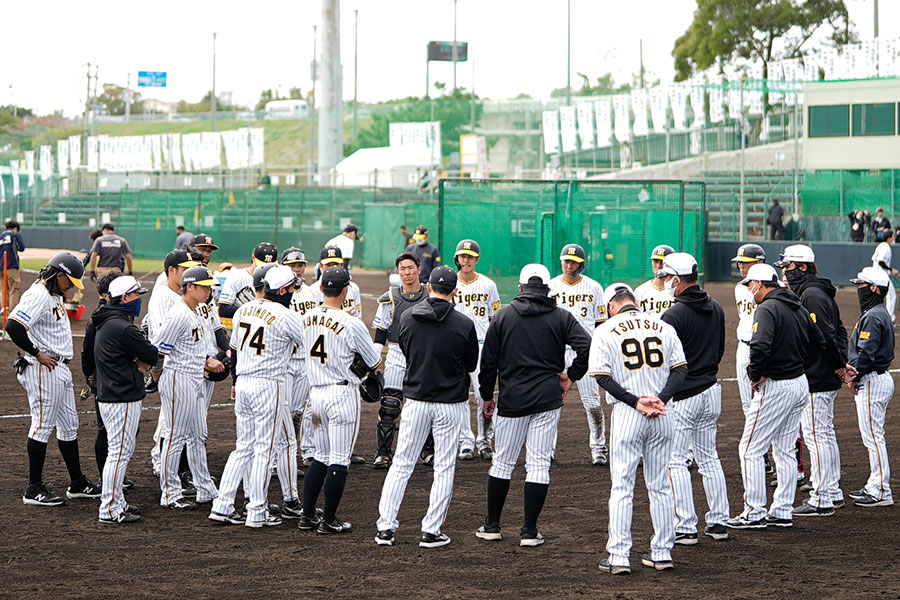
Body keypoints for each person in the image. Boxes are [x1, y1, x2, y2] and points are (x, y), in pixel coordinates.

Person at [475, 264, 591, 547]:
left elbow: (488, 362)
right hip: (547, 397)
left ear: (520, 288)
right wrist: (570, 376)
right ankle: (529, 531)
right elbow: (587, 345)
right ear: (548, 289)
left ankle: (492, 525)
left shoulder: (503, 317)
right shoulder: (562, 316)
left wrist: (487, 395)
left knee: (502, 463)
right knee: (538, 465)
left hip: (513, 398)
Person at [375, 266, 479, 548]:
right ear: (455, 291)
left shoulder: (408, 317)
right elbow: (470, 365)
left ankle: (385, 528)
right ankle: (431, 531)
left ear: (428, 286)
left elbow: (407, 352)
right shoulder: (464, 324)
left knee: (401, 464)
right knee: (444, 467)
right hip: (450, 402)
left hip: (417, 399)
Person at [590, 283, 688, 575]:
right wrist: (660, 399)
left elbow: (601, 377)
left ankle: (619, 557)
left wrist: (636, 402)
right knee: (659, 485)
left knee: (622, 487)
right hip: (662, 413)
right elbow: (681, 369)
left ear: (611, 305)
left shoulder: (605, 329)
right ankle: (662, 552)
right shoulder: (662, 325)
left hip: (628, 414)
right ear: (635, 300)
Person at [726, 264, 824, 530]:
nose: (749, 290)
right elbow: (818, 342)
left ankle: (754, 512)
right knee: (784, 449)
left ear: (759, 284)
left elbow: (760, 345)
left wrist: (756, 373)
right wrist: (799, 364)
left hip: (777, 386)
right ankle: (782, 510)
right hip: (798, 384)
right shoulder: (797, 306)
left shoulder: (767, 309)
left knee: (750, 449)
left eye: (750, 285)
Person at [210, 265, 307, 528]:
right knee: (264, 448)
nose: (293, 293)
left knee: (243, 447)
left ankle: (222, 504)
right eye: (291, 288)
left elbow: (235, 352)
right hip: (269, 384)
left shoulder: (244, 309)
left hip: (244, 384)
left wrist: (235, 381)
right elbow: (312, 343)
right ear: (283, 290)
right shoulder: (287, 316)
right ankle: (257, 510)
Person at [6, 252, 101, 506]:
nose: (71, 286)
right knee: (41, 425)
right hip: (42, 369)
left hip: (58, 369)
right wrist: (37, 353)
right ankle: (33, 488)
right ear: (58, 276)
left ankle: (77, 482)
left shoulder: (52, 293)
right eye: (69, 281)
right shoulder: (38, 295)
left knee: (69, 425)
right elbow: (12, 326)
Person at [298, 266, 381, 534]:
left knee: (320, 457)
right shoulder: (353, 323)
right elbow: (373, 362)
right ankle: (329, 519)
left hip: (316, 395)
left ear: (321, 288)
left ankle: (307, 515)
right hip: (342, 394)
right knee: (339, 460)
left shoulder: (307, 317)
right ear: (346, 291)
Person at [658, 253, 729, 544]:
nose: (664, 282)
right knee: (709, 457)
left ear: (676, 279)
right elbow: (721, 350)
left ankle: (686, 525)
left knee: (676, 461)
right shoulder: (716, 307)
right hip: (711, 389)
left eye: (666, 278)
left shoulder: (672, 315)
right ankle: (719, 521)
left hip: (684, 395)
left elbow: (665, 363)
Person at [775, 246, 848, 516]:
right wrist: (840, 363)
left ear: (803, 267)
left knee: (817, 436)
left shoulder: (811, 295)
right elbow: (839, 331)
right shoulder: (816, 292)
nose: (784, 272)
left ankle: (822, 497)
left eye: (788, 267)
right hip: (823, 373)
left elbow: (827, 336)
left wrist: (839, 366)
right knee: (823, 435)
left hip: (817, 377)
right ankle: (832, 491)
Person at [155, 266, 223, 509]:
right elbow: (159, 349)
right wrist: (156, 378)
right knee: (175, 437)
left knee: (198, 435)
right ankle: (170, 493)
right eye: (204, 286)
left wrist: (206, 360)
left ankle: (204, 487)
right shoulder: (179, 314)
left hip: (194, 377)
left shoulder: (195, 311)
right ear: (190, 287)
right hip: (178, 378)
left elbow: (189, 345)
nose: (208, 291)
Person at [92, 275, 158, 524]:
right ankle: (109, 508)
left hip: (111, 393)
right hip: (122, 396)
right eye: (136, 295)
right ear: (124, 298)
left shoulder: (106, 321)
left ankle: (116, 502)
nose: (139, 299)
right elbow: (151, 354)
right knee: (119, 453)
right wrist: (143, 360)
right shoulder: (124, 327)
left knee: (118, 452)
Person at [549, 243, 609, 466]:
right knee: (551, 404)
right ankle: (548, 448)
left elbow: (601, 324)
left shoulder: (594, 287)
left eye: (573, 262)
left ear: (581, 265)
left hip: (585, 352)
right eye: (566, 260)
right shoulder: (552, 286)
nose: (568, 265)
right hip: (557, 351)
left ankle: (599, 447)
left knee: (592, 403)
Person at [371, 252, 429, 468]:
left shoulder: (429, 295)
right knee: (389, 406)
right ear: (398, 271)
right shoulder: (390, 297)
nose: (407, 272)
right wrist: (375, 360)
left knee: (424, 405)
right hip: (395, 353)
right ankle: (383, 453)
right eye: (402, 268)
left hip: (423, 355)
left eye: (411, 268)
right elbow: (381, 332)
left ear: (419, 270)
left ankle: (427, 451)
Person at [145, 250, 200, 474]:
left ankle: (173, 466)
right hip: (170, 367)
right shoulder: (162, 297)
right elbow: (159, 341)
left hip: (184, 366)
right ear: (172, 271)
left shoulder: (178, 294)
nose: (188, 273)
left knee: (177, 423)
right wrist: (157, 374)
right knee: (168, 423)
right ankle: (161, 464)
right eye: (184, 269)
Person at [846, 267, 895, 507]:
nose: (860, 289)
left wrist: (853, 375)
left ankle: (881, 490)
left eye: (862, 285)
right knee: (873, 436)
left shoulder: (874, 316)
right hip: (878, 378)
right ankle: (874, 483)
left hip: (872, 380)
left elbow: (866, 353)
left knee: (873, 437)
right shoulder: (878, 312)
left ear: (874, 288)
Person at [82, 272, 136, 489]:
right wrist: (90, 376)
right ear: (106, 295)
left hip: (119, 378)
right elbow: (88, 352)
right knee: (106, 430)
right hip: (105, 380)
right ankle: (108, 477)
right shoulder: (98, 318)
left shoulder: (121, 315)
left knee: (123, 431)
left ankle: (115, 475)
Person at [452, 239, 501, 460]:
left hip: (481, 345)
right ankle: (465, 441)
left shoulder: (488, 285)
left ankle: (484, 440)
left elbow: (495, 320)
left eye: (470, 257)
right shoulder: (450, 283)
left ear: (477, 259)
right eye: (463, 256)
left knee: (484, 395)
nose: (466, 260)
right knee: (460, 395)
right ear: (457, 259)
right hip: (455, 347)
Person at [731, 244, 775, 476]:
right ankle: (762, 456)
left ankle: (771, 453)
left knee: (769, 403)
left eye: (745, 262)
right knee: (748, 405)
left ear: (758, 263)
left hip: (764, 348)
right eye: (739, 262)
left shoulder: (772, 287)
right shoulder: (740, 289)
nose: (740, 266)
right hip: (743, 347)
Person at [282, 247, 317, 466]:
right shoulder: (280, 290)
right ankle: (282, 456)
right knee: (283, 409)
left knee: (297, 409)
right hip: (285, 360)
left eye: (300, 265)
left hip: (305, 359)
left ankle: (295, 452)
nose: (297, 269)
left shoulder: (309, 292)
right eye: (292, 265)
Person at [218, 242, 278, 325]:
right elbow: (223, 309)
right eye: (262, 265)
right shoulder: (237, 276)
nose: (265, 269)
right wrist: (253, 310)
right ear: (253, 257)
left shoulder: (277, 280)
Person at [308, 246, 363, 318]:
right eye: (328, 265)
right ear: (320, 266)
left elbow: (358, 317)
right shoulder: (312, 291)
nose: (333, 268)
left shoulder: (353, 288)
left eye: (336, 264)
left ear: (342, 265)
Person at [634, 244, 675, 316]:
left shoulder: (677, 289)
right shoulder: (640, 291)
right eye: (656, 261)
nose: (659, 266)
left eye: (662, 262)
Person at [870, 228, 898, 322]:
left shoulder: (880, 246)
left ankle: (886, 318)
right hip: (881, 274)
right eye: (893, 236)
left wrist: (890, 271)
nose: (894, 237)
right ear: (889, 238)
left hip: (878, 273)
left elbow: (876, 261)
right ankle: (889, 319)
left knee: (881, 296)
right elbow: (881, 262)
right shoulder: (886, 247)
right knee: (892, 295)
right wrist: (891, 270)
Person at [0, 219, 25, 316]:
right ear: (16, 228)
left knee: (3, 289)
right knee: (14, 289)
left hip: (0, 266)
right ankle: (12, 311)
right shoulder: (15, 235)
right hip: (11, 265)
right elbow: (21, 247)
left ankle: (4, 309)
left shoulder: (0, 236)